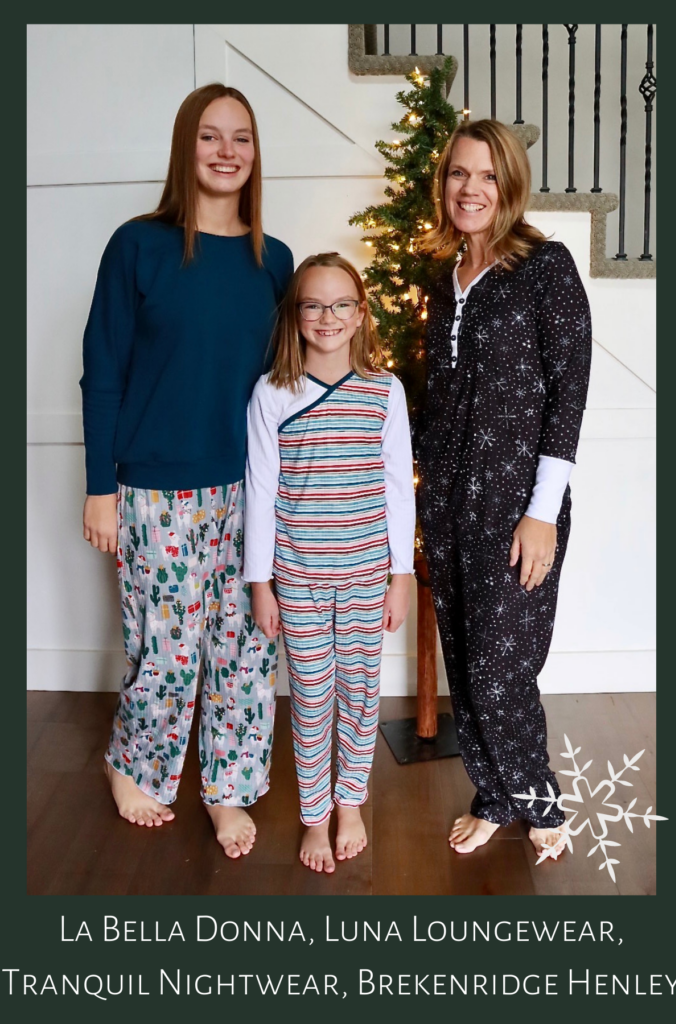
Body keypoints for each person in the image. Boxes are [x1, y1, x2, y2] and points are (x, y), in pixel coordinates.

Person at [80, 83, 293, 858]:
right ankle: (133, 765)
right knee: (166, 652)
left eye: (241, 137)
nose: (227, 151)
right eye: (210, 136)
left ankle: (229, 787)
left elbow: (287, 385)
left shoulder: (274, 260)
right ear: (185, 146)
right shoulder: (137, 246)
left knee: (244, 648)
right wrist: (100, 489)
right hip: (153, 488)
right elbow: (102, 371)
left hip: (248, 489)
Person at [416, 119, 591, 860]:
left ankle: (539, 802)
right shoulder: (440, 278)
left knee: (501, 668)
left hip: (517, 504)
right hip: (447, 500)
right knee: (464, 661)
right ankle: (493, 795)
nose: (471, 189)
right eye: (459, 173)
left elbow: (568, 391)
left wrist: (542, 512)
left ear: (509, 184)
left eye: (487, 175)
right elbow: (436, 396)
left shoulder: (545, 267)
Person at [244, 253, 415, 873]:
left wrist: (401, 576)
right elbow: (261, 488)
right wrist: (261, 583)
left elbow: (397, 487)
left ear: (361, 313)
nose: (328, 316)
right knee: (312, 698)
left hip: (368, 574)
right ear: (295, 315)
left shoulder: (384, 390)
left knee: (361, 695)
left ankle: (350, 805)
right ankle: (314, 815)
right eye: (313, 305)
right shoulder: (272, 392)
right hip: (298, 577)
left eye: (341, 304)